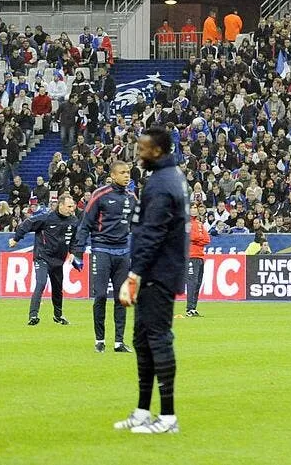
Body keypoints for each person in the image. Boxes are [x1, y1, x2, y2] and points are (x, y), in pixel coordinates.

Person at [113, 126, 188, 435]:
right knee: (142, 340)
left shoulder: (161, 183)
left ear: (157, 150)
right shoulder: (170, 177)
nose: (137, 153)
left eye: (142, 148)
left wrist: (135, 275)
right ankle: (143, 411)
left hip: (158, 272)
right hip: (159, 270)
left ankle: (168, 417)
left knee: (157, 339)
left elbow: (152, 234)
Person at [72, 161, 136, 353]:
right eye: (122, 172)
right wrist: (78, 252)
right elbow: (85, 224)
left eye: (128, 172)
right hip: (101, 250)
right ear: (113, 176)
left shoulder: (132, 197)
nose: (127, 175)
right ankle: (99, 339)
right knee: (100, 296)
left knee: (121, 298)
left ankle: (118, 342)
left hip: (123, 252)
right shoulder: (100, 194)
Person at [9, 192, 77, 325]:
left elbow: (74, 239)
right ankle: (33, 315)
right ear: (60, 205)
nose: (72, 209)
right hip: (42, 257)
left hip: (58, 260)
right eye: (69, 206)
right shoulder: (46, 218)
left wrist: (73, 252)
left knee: (57, 289)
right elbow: (27, 223)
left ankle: (58, 316)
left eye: (72, 206)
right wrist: (16, 239)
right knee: (41, 283)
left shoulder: (73, 221)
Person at [184, 192, 210, 318]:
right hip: (190, 256)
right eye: (192, 208)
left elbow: (207, 239)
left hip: (200, 256)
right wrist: (198, 238)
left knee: (198, 283)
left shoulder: (199, 223)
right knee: (192, 282)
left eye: (195, 208)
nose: (194, 210)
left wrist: (197, 239)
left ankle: (193, 308)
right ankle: (189, 309)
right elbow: (190, 237)